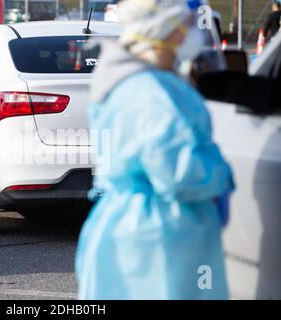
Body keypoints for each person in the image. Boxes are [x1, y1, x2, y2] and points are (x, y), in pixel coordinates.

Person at [76, 0, 235, 300]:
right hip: (157, 239)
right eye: (187, 23)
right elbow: (179, 174)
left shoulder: (132, 79)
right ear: (168, 28)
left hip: (137, 230)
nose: (193, 31)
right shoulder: (147, 92)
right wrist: (221, 175)